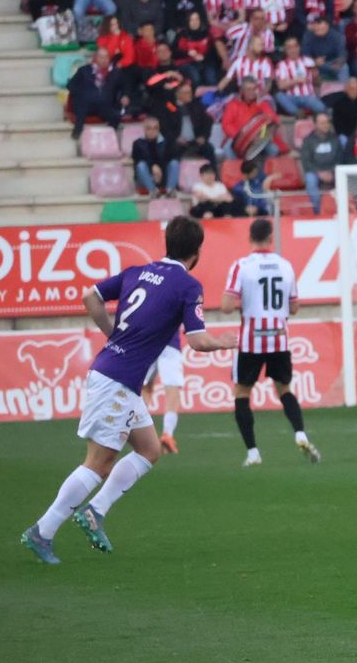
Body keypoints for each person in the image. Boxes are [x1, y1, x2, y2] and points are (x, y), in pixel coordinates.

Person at [20, 217, 238, 564]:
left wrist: (111, 331)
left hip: (116, 376)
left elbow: (89, 295)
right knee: (98, 463)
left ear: (168, 243)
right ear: (197, 252)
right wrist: (224, 342)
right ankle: (42, 531)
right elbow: (197, 341)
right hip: (116, 383)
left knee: (149, 450)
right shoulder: (188, 285)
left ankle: (95, 511)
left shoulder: (138, 271)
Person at [222, 217, 320, 468]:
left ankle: (253, 453)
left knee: (242, 394)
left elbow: (226, 306)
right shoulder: (286, 266)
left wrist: (245, 300)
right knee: (284, 389)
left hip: (251, 341)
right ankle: (300, 433)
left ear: (250, 238)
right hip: (279, 338)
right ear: (270, 238)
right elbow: (295, 307)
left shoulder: (241, 266)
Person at [143, 331, 186, 455]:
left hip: (147, 342)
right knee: (172, 389)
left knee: (145, 388)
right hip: (170, 343)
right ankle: (168, 434)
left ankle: (133, 426)